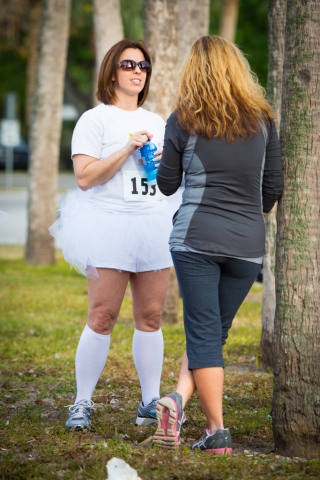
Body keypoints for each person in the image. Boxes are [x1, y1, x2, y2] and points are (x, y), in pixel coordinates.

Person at [152, 35, 283, 453]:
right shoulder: (263, 120)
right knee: (213, 332)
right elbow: (273, 187)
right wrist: (247, 214)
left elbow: (167, 184)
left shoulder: (182, 120)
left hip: (195, 240)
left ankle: (216, 430)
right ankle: (177, 399)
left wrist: (163, 161)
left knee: (205, 332)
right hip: (247, 244)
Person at [49, 39, 182, 430]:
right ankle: (82, 402)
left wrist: (163, 165)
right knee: (103, 315)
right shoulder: (95, 119)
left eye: (143, 66)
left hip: (152, 221)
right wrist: (126, 150)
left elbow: (168, 182)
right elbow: (85, 177)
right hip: (107, 223)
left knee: (152, 316)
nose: (137, 71)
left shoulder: (159, 121)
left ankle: (149, 402)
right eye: (128, 64)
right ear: (112, 71)